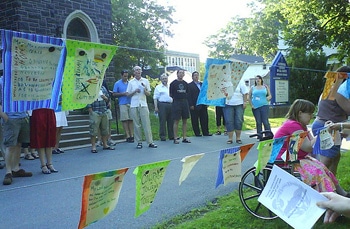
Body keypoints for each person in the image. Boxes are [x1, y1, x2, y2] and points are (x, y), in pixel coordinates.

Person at [274, 99, 348, 195]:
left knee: (324, 169)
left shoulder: (299, 125)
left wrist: (325, 132)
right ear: (300, 113)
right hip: (286, 161)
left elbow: (312, 144)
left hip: (295, 158)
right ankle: (330, 196)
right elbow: (308, 147)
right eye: (309, 114)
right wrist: (323, 132)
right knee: (318, 171)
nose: (312, 116)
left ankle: (341, 194)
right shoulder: (293, 126)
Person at [311, 66, 350, 176]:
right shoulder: (338, 91)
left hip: (327, 125)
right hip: (328, 127)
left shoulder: (330, 88)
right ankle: (315, 187)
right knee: (325, 162)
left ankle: (333, 188)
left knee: (334, 157)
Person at [0, 77, 32, 184]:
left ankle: (16, 168)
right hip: (11, 117)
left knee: (19, 144)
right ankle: (8, 172)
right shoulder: (2, 81)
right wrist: (6, 118)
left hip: (23, 116)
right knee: (10, 146)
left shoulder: (21, 80)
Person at [126, 66, 157, 149]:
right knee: (136, 124)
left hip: (143, 104)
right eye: (136, 70)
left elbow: (149, 94)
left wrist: (144, 90)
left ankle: (150, 142)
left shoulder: (145, 81)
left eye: (139, 70)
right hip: (134, 104)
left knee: (146, 123)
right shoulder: (131, 82)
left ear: (141, 71)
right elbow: (128, 94)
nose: (138, 71)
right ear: (134, 72)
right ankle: (139, 142)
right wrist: (135, 91)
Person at [87, 85, 115, 153]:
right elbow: (87, 99)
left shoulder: (103, 88)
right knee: (93, 129)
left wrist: (105, 98)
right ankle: (93, 146)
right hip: (95, 111)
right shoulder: (90, 87)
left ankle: (105, 144)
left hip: (103, 110)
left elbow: (108, 99)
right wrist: (90, 111)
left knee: (105, 129)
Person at [169, 69, 191, 144]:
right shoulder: (173, 83)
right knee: (176, 121)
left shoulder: (186, 84)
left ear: (184, 75)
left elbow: (187, 93)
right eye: (180, 73)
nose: (181, 74)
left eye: (182, 73)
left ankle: (184, 137)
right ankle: (175, 138)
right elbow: (171, 94)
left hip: (184, 102)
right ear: (177, 74)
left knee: (185, 120)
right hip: (176, 102)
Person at [188, 71, 212, 137]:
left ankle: (205, 132)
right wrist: (191, 105)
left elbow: (205, 94)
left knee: (204, 118)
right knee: (195, 119)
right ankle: (197, 133)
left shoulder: (202, 84)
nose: (196, 76)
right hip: (194, 104)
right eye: (195, 75)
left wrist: (207, 102)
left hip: (203, 104)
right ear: (192, 77)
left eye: (197, 75)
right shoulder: (189, 85)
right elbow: (189, 96)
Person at [113, 70, 134, 143]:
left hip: (131, 103)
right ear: (121, 76)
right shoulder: (117, 83)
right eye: (124, 76)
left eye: (127, 76)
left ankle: (132, 135)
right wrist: (123, 94)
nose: (126, 78)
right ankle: (127, 135)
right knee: (125, 119)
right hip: (122, 103)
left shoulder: (130, 83)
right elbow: (114, 94)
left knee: (131, 119)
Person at [153, 74, 174, 141]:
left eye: (166, 78)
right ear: (161, 80)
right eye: (163, 79)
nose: (165, 80)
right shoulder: (158, 87)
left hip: (171, 104)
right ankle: (163, 136)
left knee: (171, 121)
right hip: (162, 105)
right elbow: (155, 98)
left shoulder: (170, 86)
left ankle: (171, 135)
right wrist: (156, 107)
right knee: (162, 121)